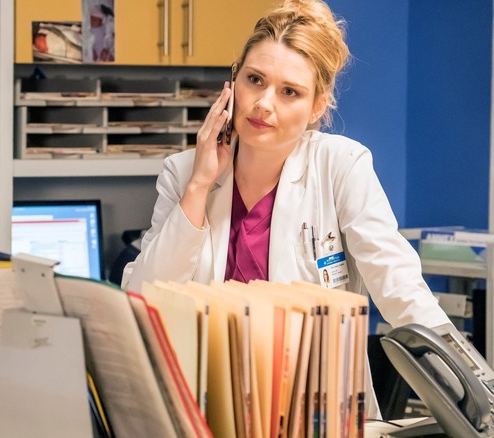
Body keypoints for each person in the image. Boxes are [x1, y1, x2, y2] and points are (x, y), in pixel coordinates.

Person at [121, 0, 450, 419]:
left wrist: (473, 392)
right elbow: (141, 300)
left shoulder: (341, 167)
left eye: (289, 91)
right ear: (231, 84)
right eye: (254, 80)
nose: (263, 103)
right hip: (204, 410)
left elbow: (400, 287)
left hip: (315, 411)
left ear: (317, 106)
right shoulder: (183, 173)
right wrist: (200, 185)